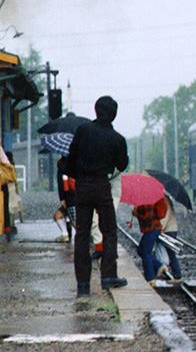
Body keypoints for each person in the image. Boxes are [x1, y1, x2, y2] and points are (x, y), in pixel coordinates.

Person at [65, 95, 129, 296]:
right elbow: (122, 165)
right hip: (102, 186)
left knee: (82, 235)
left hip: (83, 186)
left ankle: (83, 285)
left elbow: (71, 160)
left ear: (96, 110)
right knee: (109, 230)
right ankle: (108, 276)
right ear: (114, 115)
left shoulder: (83, 131)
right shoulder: (117, 139)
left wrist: (79, 175)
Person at [131, 196, 167, 286]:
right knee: (141, 250)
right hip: (152, 229)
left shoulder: (149, 199)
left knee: (146, 252)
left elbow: (148, 216)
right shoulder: (150, 197)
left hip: (152, 228)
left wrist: (136, 213)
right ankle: (159, 265)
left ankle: (150, 278)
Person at [157, 194, 183, 283]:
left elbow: (166, 215)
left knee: (171, 253)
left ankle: (177, 276)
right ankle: (172, 273)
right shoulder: (162, 198)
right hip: (168, 229)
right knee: (168, 252)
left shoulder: (164, 199)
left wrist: (161, 227)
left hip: (169, 230)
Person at [54, 157, 77, 243]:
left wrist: (62, 198)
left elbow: (61, 185)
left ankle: (84, 237)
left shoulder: (62, 167)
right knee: (58, 215)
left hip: (70, 199)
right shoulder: (77, 164)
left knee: (74, 221)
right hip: (76, 197)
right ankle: (65, 234)